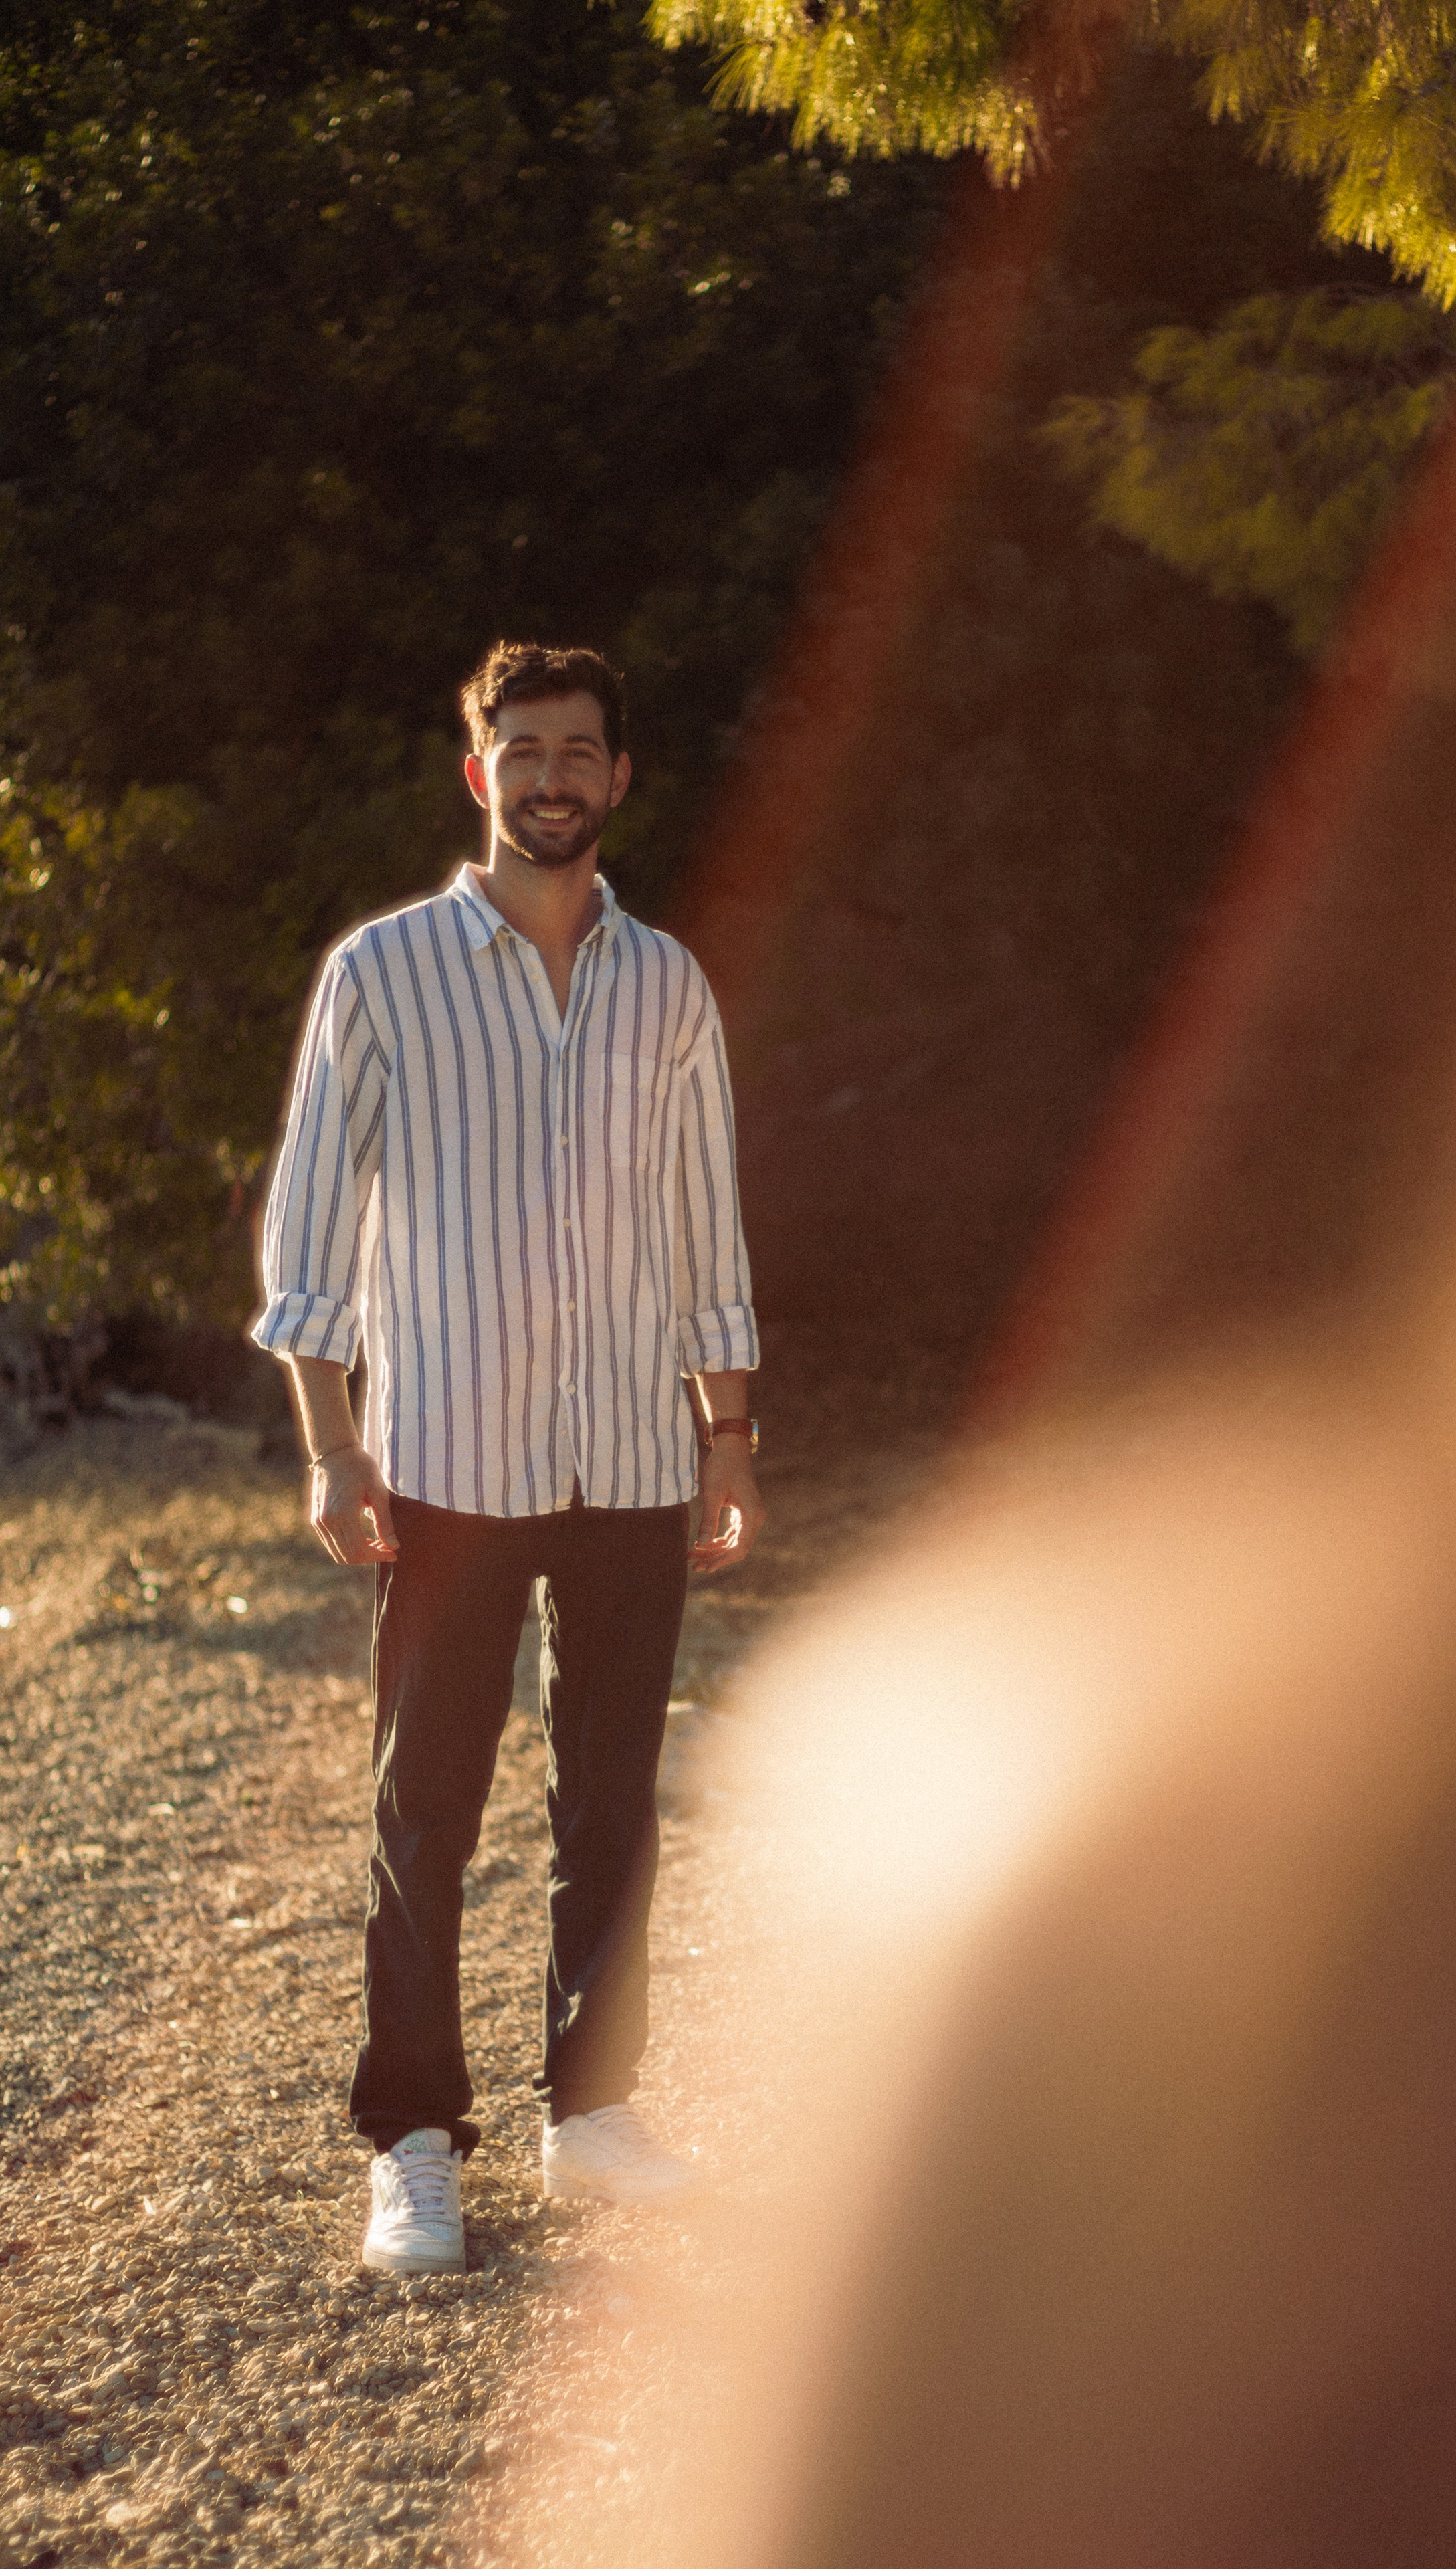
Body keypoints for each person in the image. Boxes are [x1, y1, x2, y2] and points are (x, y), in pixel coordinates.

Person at [251, 640, 764, 2275]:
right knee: (430, 1811)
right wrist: (333, 1449)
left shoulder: (668, 982)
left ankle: (591, 2113)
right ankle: (411, 2140)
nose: (550, 774)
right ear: (478, 775)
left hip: (628, 1451)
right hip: (446, 1463)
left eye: (579, 750)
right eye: (520, 747)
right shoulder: (382, 973)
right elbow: (312, 1228)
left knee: (611, 1801)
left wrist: (727, 1438)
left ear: (618, 779)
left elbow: (707, 1231)